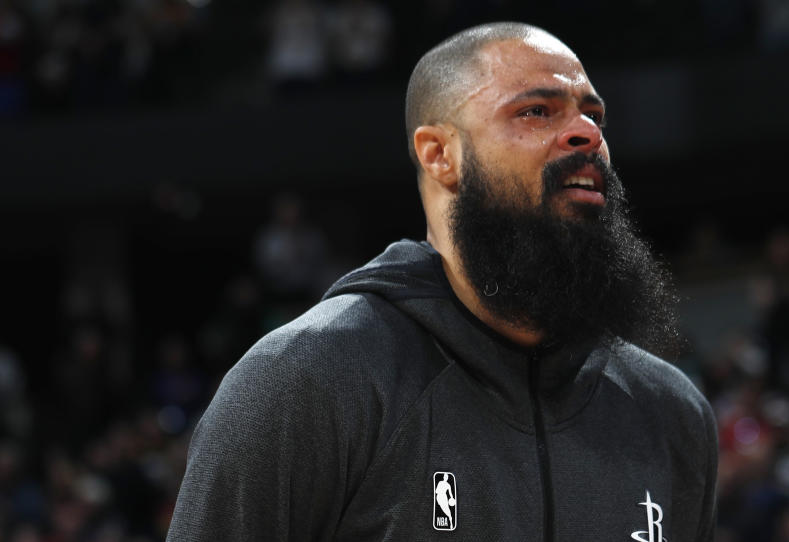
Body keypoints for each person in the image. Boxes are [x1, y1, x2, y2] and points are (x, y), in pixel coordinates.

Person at [167, 22, 717, 541]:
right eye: (536, 111)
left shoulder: (671, 414)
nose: (586, 134)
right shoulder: (311, 379)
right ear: (440, 154)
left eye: (594, 116)